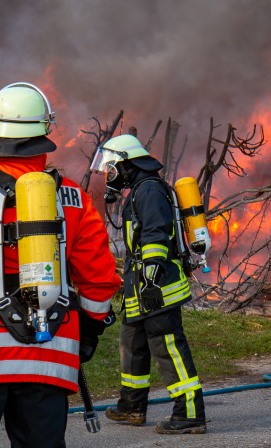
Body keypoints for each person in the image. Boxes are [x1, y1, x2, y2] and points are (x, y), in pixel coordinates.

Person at [0, 82, 121, 448]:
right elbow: (99, 280)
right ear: (44, 135)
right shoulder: (74, 198)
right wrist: (89, 333)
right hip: (49, 356)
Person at [90, 134, 206, 434]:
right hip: (139, 287)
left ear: (128, 165)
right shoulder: (140, 190)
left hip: (157, 287)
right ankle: (132, 406)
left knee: (167, 347)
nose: (110, 175)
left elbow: (156, 233)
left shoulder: (150, 191)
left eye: (113, 168)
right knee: (132, 343)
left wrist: (152, 279)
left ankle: (190, 413)